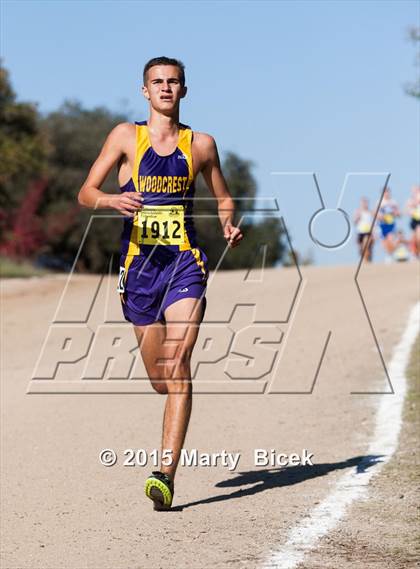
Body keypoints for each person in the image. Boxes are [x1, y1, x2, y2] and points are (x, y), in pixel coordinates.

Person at [78, 56, 243, 510]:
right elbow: (86, 191)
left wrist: (228, 224)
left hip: (184, 266)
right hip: (140, 270)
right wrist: (112, 198)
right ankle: (167, 436)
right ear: (144, 91)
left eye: (174, 82)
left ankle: (164, 474)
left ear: (184, 91)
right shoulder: (126, 137)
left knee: (178, 364)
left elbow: (224, 198)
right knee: (159, 379)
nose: (166, 88)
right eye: (158, 82)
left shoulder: (202, 145)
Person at [376, 187, 400, 263]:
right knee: (385, 243)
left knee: (391, 239)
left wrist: (394, 212)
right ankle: (389, 255)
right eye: (385, 192)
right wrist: (380, 216)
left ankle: (391, 255)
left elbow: (398, 213)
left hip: (391, 224)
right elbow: (375, 213)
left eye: (388, 192)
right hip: (382, 225)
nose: (387, 194)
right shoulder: (379, 202)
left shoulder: (393, 202)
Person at [353, 197, 374, 262]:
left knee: (366, 246)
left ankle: (366, 261)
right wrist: (357, 217)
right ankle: (366, 259)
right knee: (361, 249)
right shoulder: (358, 211)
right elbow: (354, 222)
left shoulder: (370, 212)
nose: (365, 204)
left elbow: (375, 222)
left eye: (366, 203)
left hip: (368, 232)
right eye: (363, 203)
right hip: (360, 232)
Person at [405, 185, 420, 258]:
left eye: (417, 190)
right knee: (414, 238)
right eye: (414, 190)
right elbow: (407, 210)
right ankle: (415, 253)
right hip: (414, 220)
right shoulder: (410, 200)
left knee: (418, 236)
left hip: (418, 221)